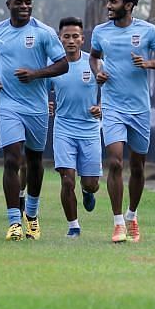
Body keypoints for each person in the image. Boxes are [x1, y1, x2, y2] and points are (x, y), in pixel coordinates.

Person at [89, 0, 155, 243]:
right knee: (115, 161)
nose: (108, 6)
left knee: (137, 167)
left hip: (139, 109)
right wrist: (98, 72)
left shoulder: (148, 31)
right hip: (113, 106)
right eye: (107, 1)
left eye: (113, 2)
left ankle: (132, 215)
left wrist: (148, 63)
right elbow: (93, 57)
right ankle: (117, 224)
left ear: (128, 6)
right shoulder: (100, 32)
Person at [0, 0, 68, 241]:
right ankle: (14, 222)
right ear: (8, 4)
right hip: (9, 104)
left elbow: (63, 64)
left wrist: (35, 74)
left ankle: (31, 215)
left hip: (37, 107)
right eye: (18, 2)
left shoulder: (44, 33)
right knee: (11, 159)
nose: (24, 6)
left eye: (28, 2)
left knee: (34, 162)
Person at [49, 17, 102, 239]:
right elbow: (40, 89)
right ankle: (74, 226)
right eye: (66, 36)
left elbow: (112, 90)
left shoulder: (94, 62)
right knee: (67, 178)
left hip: (90, 129)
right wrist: (47, 103)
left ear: (82, 39)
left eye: (75, 36)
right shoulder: (53, 65)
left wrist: (101, 106)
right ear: (60, 39)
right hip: (63, 128)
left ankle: (87, 190)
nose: (70, 40)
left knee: (91, 184)